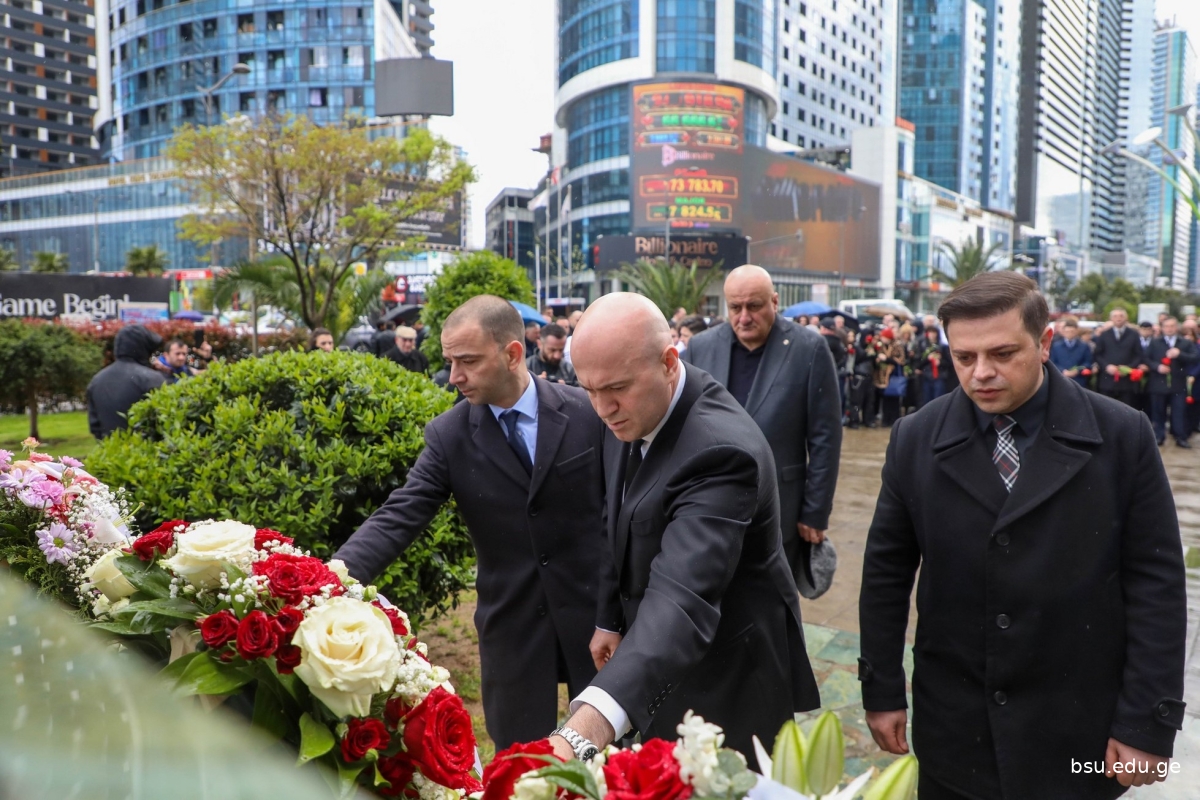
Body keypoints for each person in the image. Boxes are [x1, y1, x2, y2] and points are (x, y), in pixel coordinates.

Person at [858, 272, 1187, 799]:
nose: (982, 373)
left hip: (1077, 727)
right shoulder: (915, 438)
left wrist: (1147, 723)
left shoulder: (1122, 435)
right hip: (955, 725)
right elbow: (885, 573)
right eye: (964, 357)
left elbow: (1157, 583)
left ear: (1045, 341)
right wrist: (881, 689)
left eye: (1003, 353)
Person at [550, 292, 821, 763]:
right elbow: (618, 514)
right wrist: (609, 618)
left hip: (727, 681)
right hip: (650, 661)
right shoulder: (632, 408)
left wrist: (578, 737)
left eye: (615, 388)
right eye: (588, 389)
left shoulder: (721, 452)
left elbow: (681, 597)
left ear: (669, 362)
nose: (602, 408)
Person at [333, 296, 606, 749]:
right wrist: (330, 579)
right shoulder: (449, 435)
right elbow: (401, 513)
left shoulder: (586, 412)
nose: (454, 376)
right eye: (450, 362)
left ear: (512, 354)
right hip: (513, 629)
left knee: (616, 763)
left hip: (598, 622)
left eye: (468, 361)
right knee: (520, 768)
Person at [682, 265, 843, 590]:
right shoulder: (701, 347)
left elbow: (825, 438)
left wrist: (815, 512)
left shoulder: (809, 349)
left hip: (781, 507)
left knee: (773, 602)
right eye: (735, 307)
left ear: (774, 301)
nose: (744, 317)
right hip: (712, 506)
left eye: (753, 306)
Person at [86, 325, 167, 439]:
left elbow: (95, 426)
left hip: (109, 447)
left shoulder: (96, 381)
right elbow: (165, 422)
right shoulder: (151, 379)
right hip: (144, 447)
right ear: (143, 349)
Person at [1146, 316, 1198, 448]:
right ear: (1162, 328)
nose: (1169, 329)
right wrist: (1157, 367)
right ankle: (1159, 436)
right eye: (1166, 326)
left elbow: (1195, 357)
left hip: (1178, 384)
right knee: (1158, 412)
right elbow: (1146, 359)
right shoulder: (1155, 342)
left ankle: (1180, 437)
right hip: (1158, 383)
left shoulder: (1185, 343)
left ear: (1177, 327)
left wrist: (1179, 354)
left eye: (1172, 326)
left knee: (1179, 412)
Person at [1093, 308, 1142, 406]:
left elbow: (1139, 355)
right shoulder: (1104, 335)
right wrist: (1106, 366)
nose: (1118, 318)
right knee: (1106, 408)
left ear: (1126, 318)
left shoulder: (1134, 334)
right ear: (1111, 318)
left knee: (1126, 408)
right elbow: (1097, 354)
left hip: (1127, 381)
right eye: (1115, 316)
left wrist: (1128, 368)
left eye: (1121, 316)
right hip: (1107, 380)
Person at [1048, 316, 1093, 387]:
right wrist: (1063, 371)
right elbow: (1052, 362)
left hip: (1079, 381)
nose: (1069, 333)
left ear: (1077, 331)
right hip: (1061, 380)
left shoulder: (1084, 346)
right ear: (1063, 331)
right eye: (1067, 331)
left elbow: (1088, 362)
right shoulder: (1056, 346)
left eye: (1072, 331)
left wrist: (1077, 371)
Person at [915, 326, 949, 406]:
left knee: (939, 399)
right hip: (926, 376)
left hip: (939, 376)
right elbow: (918, 363)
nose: (932, 335)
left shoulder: (942, 346)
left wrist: (940, 362)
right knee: (926, 399)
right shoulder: (922, 346)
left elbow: (949, 362)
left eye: (934, 332)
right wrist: (927, 358)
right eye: (930, 332)